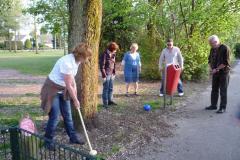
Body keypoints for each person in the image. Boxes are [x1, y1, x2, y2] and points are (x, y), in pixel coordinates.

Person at [40, 43, 92, 149]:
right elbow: (68, 84)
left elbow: (72, 81)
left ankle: (73, 137)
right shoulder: (67, 62)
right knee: (55, 117)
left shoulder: (76, 62)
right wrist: (75, 99)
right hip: (52, 89)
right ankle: (47, 141)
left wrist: (75, 97)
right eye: (86, 57)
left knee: (68, 115)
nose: (87, 59)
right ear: (80, 55)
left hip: (63, 89)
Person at [205, 35, 231, 113]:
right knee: (214, 89)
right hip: (215, 73)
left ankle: (222, 108)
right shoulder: (212, 49)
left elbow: (226, 62)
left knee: (223, 90)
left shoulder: (225, 48)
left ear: (217, 41)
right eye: (211, 44)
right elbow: (209, 60)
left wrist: (216, 69)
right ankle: (213, 105)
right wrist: (212, 68)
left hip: (224, 72)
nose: (212, 45)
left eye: (213, 44)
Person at [100, 42, 119, 108]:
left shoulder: (113, 54)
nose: (116, 51)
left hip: (112, 74)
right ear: (111, 49)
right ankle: (105, 103)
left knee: (111, 88)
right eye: (115, 49)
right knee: (106, 88)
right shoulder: (104, 54)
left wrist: (114, 73)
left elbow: (114, 64)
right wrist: (104, 76)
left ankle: (110, 101)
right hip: (106, 74)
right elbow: (102, 66)